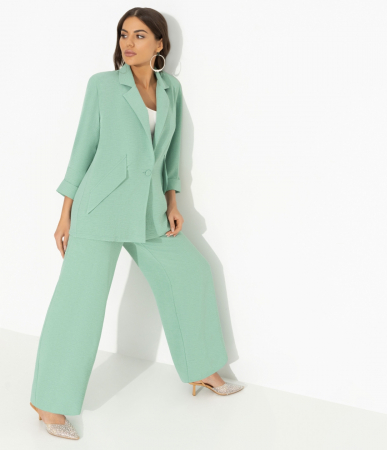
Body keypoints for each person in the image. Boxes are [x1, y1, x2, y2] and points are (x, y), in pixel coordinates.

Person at [29, 7, 244, 440]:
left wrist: (172, 200)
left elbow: (170, 150)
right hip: (99, 208)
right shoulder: (103, 85)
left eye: (140, 35)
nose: (128, 43)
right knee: (80, 305)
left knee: (191, 273)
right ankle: (49, 401)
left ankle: (201, 368)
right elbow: (83, 148)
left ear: (160, 44)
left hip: (149, 210)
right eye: (124, 34)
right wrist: (65, 212)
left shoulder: (171, 89)